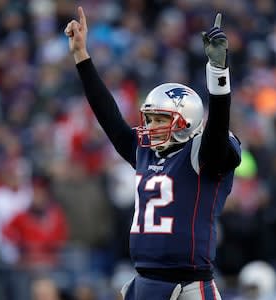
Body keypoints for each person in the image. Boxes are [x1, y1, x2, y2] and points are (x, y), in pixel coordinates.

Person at [65, 6, 241, 300]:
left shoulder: (201, 153)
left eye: (160, 119)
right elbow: (108, 116)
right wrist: (81, 56)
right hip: (144, 279)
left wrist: (218, 74)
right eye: (150, 119)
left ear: (186, 121)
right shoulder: (146, 151)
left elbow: (218, 126)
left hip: (189, 285)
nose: (150, 126)